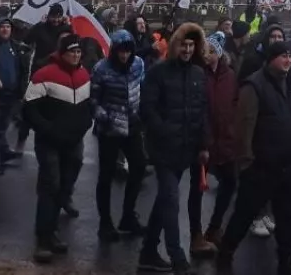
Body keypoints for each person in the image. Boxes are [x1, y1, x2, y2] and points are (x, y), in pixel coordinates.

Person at [217, 39, 291, 275]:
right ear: (271, 59)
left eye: (290, 55)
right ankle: (226, 252)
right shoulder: (254, 85)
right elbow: (244, 126)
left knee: (288, 216)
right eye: (283, 56)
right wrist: (246, 161)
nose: (288, 60)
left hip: (288, 163)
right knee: (245, 213)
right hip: (261, 165)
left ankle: (286, 261)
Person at [140, 23, 210, 273]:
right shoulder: (158, 73)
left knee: (164, 201)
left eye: (192, 45)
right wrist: (165, 132)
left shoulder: (198, 75)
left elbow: (202, 111)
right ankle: (176, 255)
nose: (188, 50)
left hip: (187, 148)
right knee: (171, 199)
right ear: (175, 45)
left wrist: (203, 144)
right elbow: (147, 109)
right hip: (163, 149)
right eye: (184, 44)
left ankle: (148, 251)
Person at [23, 34, 94, 264]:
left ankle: (52, 232)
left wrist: (84, 125)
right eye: (71, 51)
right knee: (50, 186)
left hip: (73, 143)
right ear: (62, 52)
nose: (75, 55)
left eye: (78, 52)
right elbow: (29, 109)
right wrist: (49, 129)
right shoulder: (44, 75)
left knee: (64, 187)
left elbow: (88, 106)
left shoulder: (84, 75)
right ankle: (43, 239)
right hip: (49, 143)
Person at [90, 29, 147, 242]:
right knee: (105, 176)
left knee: (139, 167)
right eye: (120, 51)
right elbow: (93, 100)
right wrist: (104, 117)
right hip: (109, 129)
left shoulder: (138, 64)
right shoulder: (101, 69)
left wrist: (144, 112)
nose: (124, 55)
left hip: (132, 126)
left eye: (128, 51)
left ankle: (128, 215)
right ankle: (105, 222)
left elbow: (143, 87)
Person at [191, 30, 240, 255]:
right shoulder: (197, 74)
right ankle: (196, 234)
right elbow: (197, 109)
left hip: (226, 141)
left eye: (212, 51)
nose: (207, 55)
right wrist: (203, 140)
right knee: (197, 188)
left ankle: (214, 227)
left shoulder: (230, 74)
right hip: (204, 142)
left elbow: (234, 104)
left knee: (230, 182)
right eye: (205, 51)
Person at [0, 17, 29, 179]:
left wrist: (22, 90)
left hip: (11, 96)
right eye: (1, 26)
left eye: (7, 26)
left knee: (1, 129)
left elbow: (22, 70)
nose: (5, 29)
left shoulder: (15, 47)